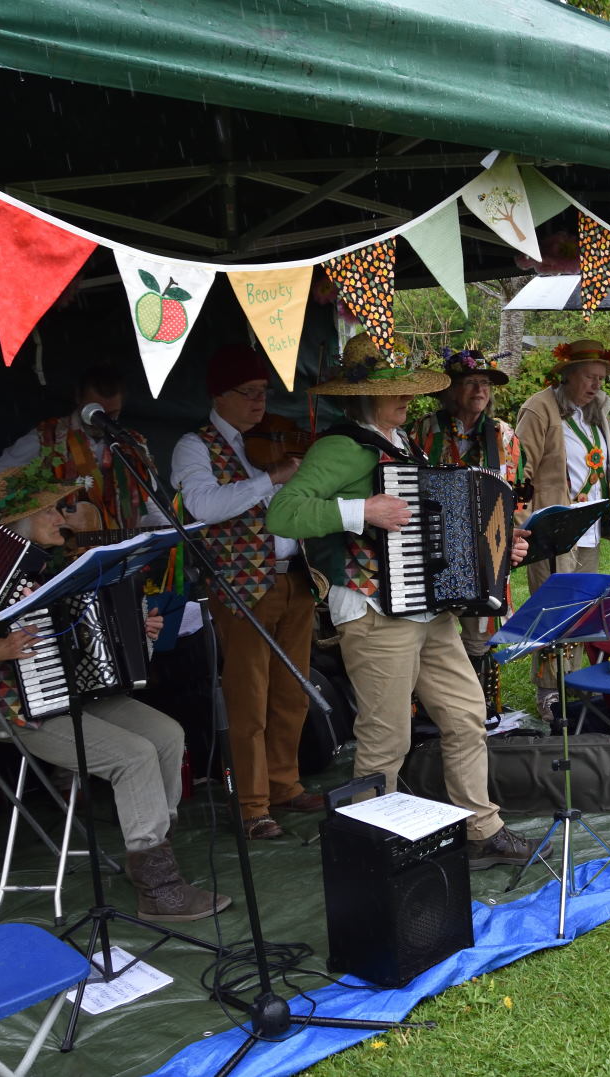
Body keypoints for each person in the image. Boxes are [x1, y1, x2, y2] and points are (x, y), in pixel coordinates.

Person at [266, 339, 543, 869]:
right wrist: (360, 508)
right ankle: (372, 850)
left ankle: (481, 829)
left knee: (466, 716)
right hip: (372, 610)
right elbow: (283, 513)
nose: (408, 402)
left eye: (408, 394)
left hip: (425, 605)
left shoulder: (399, 443)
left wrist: (501, 544)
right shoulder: (342, 447)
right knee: (385, 737)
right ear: (366, 399)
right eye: (396, 393)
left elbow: (440, 523)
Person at [0, 465, 233, 918]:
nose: (64, 517)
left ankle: (152, 852)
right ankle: (159, 888)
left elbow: (91, 639)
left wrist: (139, 631)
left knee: (168, 734)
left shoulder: (59, 569)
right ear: (18, 521)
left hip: (75, 695)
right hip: (10, 707)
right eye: (52, 510)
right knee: (133, 756)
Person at [171, 344, 316, 841]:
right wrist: (272, 478)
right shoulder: (195, 445)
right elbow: (203, 505)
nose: (260, 402)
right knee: (248, 699)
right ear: (220, 395)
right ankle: (253, 806)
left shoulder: (271, 437)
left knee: (291, 692)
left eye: (264, 393)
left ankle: (285, 785)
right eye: (249, 393)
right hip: (241, 587)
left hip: (294, 578)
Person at [411, 347, 527, 710]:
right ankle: (427, 709)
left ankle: (482, 707)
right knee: (430, 629)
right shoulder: (425, 430)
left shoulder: (504, 435)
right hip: (435, 542)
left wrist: (512, 540)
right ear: (449, 389)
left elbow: (517, 494)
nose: (480, 391)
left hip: (485, 547)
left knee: (481, 635)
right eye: (471, 383)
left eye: (485, 384)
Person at [514, 339, 610, 712]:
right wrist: (521, 522)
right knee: (552, 608)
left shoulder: (596, 412)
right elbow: (519, 469)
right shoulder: (540, 408)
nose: (597, 385)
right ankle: (549, 690)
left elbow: (604, 468)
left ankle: (571, 681)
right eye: (590, 377)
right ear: (568, 375)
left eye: (602, 378)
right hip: (552, 529)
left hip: (587, 527)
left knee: (579, 609)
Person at [0, 361, 164, 535]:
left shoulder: (132, 445)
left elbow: (146, 506)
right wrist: (38, 513)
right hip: (61, 560)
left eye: (111, 416)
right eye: (95, 413)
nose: (102, 422)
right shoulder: (46, 438)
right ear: (78, 398)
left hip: (119, 558)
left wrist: (168, 530)